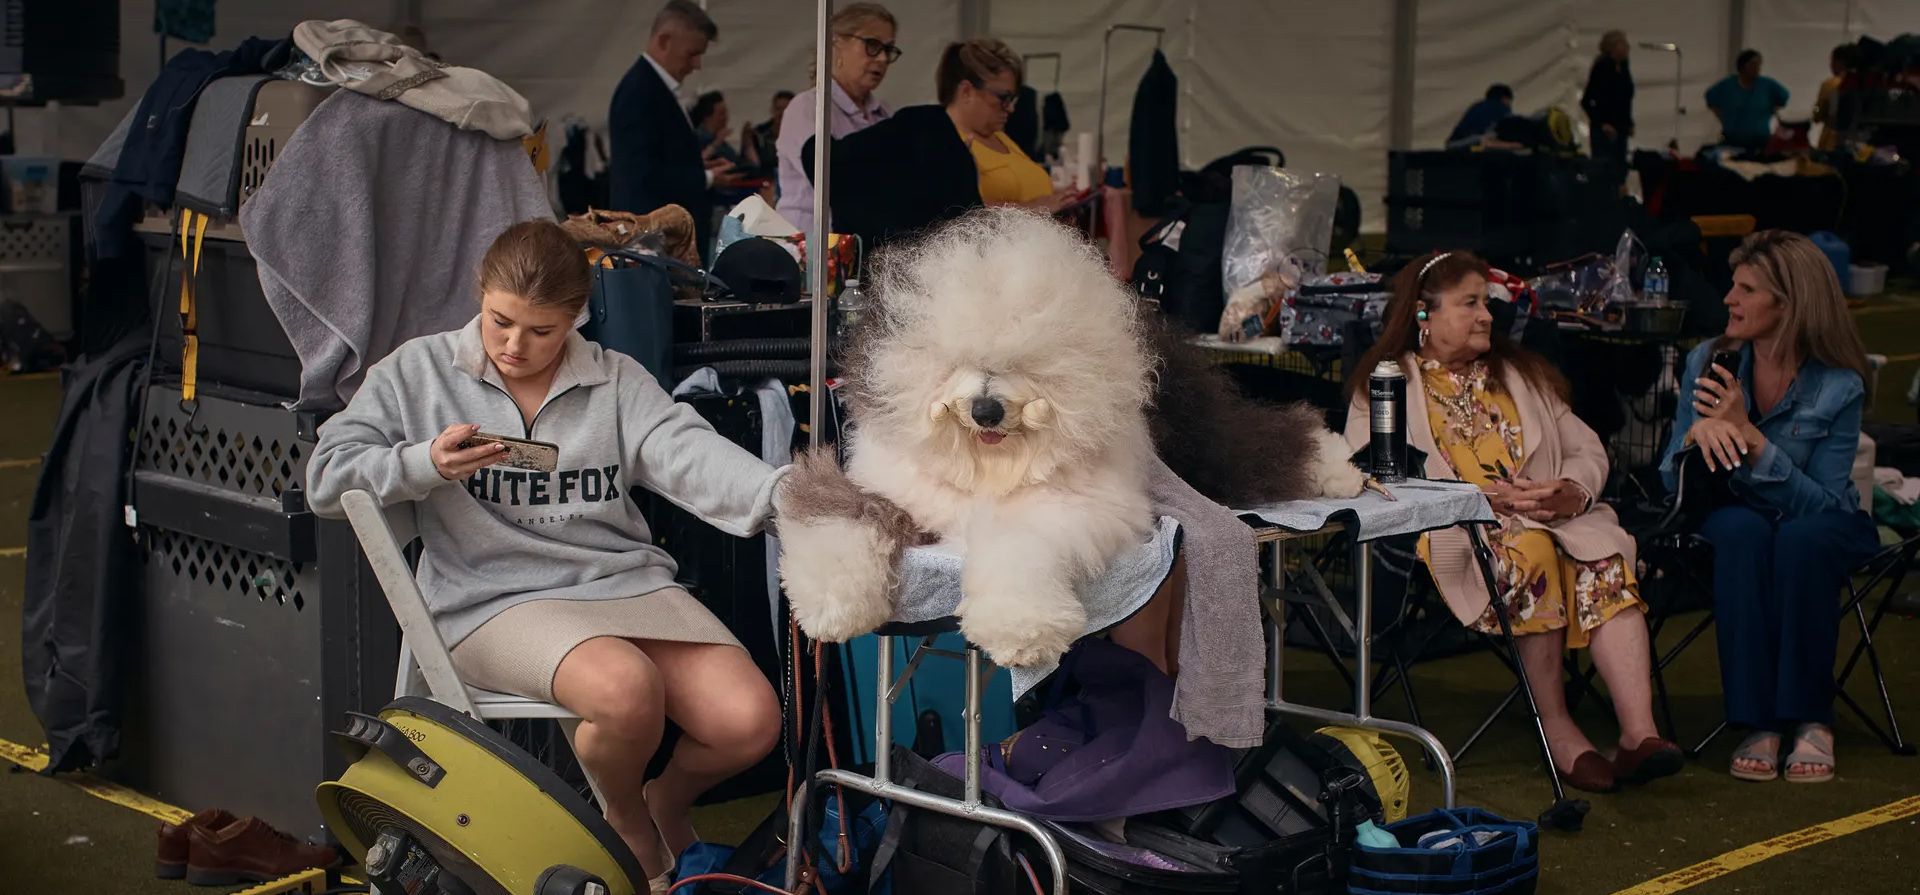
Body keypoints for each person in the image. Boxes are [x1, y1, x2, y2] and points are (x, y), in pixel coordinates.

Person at [307, 220, 784, 890]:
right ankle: (624, 820)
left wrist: (782, 494)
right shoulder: (418, 371)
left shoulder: (614, 379)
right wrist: (424, 463)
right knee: (625, 689)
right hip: (489, 597)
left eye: (542, 331)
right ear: (480, 293)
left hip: (622, 584)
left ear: (576, 318)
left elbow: (689, 453)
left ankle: (663, 800)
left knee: (751, 721)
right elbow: (327, 475)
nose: (514, 345)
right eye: (500, 321)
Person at [1344, 250, 1681, 794]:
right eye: (1470, 303)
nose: (1487, 315)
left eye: (1488, 303)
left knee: (1604, 555)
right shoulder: (1386, 383)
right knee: (1537, 553)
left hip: (1555, 523)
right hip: (1461, 531)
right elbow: (1370, 468)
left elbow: (1586, 449)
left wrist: (1570, 490)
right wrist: (1474, 498)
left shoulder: (1520, 373)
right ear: (1423, 315)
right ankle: (1557, 723)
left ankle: (1638, 736)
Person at [1659, 230, 1877, 784]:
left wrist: (1751, 439)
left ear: (1789, 304)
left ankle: (1810, 718)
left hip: (1824, 524)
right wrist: (1696, 438)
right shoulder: (1710, 361)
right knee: (1740, 532)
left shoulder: (1840, 385)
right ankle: (1757, 722)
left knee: (1801, 541)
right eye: (1732, 285)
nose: (1728, 298)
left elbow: (1825, 503)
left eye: (1746, 289)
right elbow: (1669, 477)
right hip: (1739, 515)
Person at [610, 1, 748, 263]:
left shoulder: (652, 88)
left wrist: (696, 166)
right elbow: (641, 174)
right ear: (664, 40)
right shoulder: (640, 91)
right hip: (652, 243)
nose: (697, 65)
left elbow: (659, 154)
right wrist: (705, 177)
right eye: (691, 54)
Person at [777, 2, 899, 234]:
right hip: (808, 248)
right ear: (836, 44)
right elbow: (833, 178)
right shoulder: (808, 107)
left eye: (889, 49)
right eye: (872, 45)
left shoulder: (885, 113)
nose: (882, 58)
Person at [940, 38, 1075, 211]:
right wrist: (1032, 209)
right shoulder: (943, 142)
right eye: (1003, 98)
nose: (1011, 108)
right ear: (967, 91)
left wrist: (1061, 195)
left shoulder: (1000, 137)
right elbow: (955, 209)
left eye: (1013, 99)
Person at [1706, 50, 1790, 151]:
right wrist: (1722, 117)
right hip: (1732, 141)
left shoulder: (1767, 85)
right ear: (1742, 66)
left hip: (1760, 141)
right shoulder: (1727, 85)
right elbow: (1710, 98)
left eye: (1759, 65)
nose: (1757, 68)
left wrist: (1769, 110)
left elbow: (1783, 98)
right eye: (1753, 65)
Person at [1582, 31, 1635, 162]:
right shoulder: (1602, 67)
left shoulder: (1624, 67)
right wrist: (1601, 123)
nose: (1627, 47)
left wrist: (1629, 123)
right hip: (1604, 131)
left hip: (1621, 128)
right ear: (1612, 47)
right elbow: (1587, 100)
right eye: (1622, 44)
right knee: (1605, 169)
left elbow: (1625, 99)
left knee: (1620, 168)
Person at [1812, 44, 1860, 152]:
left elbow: (1818, 114)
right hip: (1856, 140)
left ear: (1839, 62)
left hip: (1832, 139)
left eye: (1832, 61)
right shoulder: (1862, 83)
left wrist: (1816, 112)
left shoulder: (1830, 84)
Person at [742, 90, 793, 180]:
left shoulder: (800, 136)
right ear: (772, 110)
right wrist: (748, 143)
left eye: (786, 109)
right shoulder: (759, 134)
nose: (781, 114)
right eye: (778, 109)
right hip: (763, 183)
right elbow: (752, 166)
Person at [1448, 83, 1514, 146]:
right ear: (1505, 98)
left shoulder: (1478, 106)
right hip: (1471, 145)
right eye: (1509, 101)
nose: (1509, 104)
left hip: (1455, 144)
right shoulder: (1502, 108)